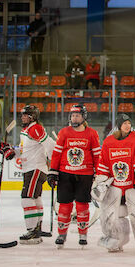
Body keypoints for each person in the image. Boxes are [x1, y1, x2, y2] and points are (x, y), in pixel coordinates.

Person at [91, 114, 135, 253]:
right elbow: (103, 164)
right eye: (124, 123)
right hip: (116, 186)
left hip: (133, 185)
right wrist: (102, 183)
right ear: (119, 125)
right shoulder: (109, 141)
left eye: (129, 123)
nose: (127, 126)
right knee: (115, 215)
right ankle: (116, 241)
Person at [0, 105, 55, 244]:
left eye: (25, 115)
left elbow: (50, 145)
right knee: (35, 198)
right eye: (22, 115)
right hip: (31, 168)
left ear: (32, 117)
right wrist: (10, 150)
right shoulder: (27, 130)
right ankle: (37, 228)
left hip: (35, 168)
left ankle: (32, 231)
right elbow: (26, 150)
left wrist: (55, 165)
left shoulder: (35, 128)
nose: (22, 117)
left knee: (27, 198)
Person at [47, 104, 100, 249]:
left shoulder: (92, 133)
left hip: (85, 175)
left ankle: (83, 234)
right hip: (65, 174)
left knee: (82, 205)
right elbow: (57, 154)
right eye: (72, 115)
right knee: (65, 206)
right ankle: (62, 234)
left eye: (77, 115)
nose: (74, 118)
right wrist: (53, 171)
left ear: (83, 117)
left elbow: (97, 155)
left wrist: (99, 172)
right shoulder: (64, 132)